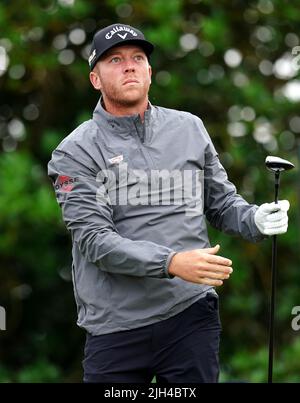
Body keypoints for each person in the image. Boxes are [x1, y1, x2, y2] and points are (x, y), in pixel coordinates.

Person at [48, 23, 290, 383]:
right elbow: (95, 240)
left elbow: (221, 203)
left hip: (190, 315)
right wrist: (172, 262)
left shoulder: (189, 128)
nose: (128, 66)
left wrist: (254, 218)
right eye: (114, 60)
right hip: (116, 328)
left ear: (150, 72)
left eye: (137, 58)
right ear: (95, 79)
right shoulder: (75, 151)